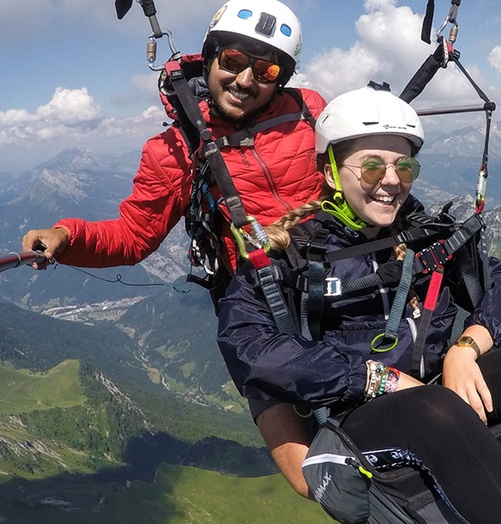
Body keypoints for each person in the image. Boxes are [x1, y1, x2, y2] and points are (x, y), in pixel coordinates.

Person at [217, 85, 501, 523]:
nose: (390, 180)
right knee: (433, 409)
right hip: (355, 421)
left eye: (403, 166)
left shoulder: (427, 237)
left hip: (433, 399)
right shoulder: (291, 260)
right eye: (371, 166)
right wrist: (376, 379)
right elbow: (248, 347)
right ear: (330, 173)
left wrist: (465, 349)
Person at [21, 0, 320, 498]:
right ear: (211, 57)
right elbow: (134, 235)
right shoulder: (177, 149)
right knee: (299, 451)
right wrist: (67, 235)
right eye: (233, 61)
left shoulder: (309, 109)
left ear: (282, 79)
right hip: (258, 294)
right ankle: (327, 486)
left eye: (266, 69)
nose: (247, 80)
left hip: (339, 270)